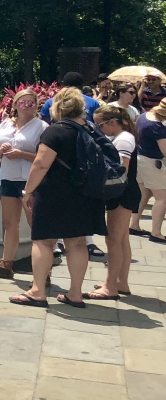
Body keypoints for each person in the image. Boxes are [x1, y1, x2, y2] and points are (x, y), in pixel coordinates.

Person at [9, 87, 108, 308]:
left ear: (57, 107)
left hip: (55, 194)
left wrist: (28, 191)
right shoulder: (91, 129)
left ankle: (37, 291)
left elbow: (41, 164)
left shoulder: (55, 131)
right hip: (86, 194)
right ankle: (75, 293)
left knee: (44, 241)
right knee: (78, 243)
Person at [0, 88, 47, 279]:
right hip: (8, 179)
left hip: (30, 181)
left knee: (35, 224)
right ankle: (5, 266)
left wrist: (22, 154)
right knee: (10, 224)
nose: (27, 106)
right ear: (15, 105)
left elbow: (45, 157)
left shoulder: (42, 127)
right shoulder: (5, 124)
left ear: (36, 105)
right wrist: (0, 151)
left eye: (31, 102)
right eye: (23, 102)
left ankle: (43, 271)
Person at [87, 104, 140, 298]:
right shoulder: (123, 137)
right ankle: (120, 282)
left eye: (100, 125)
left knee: (113, 240)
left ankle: (110, 286)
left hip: (122, 192)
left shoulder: (123, 139)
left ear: (111, 123)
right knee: (122, 239)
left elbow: (121, 170)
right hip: (126, 191)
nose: (99, 129)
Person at [136, 98, 166, 243]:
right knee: (162, 198)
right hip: (152, 162)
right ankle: (156, 233)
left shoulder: (144, 116)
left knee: (144, 194)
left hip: (140, 158)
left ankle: (134, 225)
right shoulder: (157, 127)